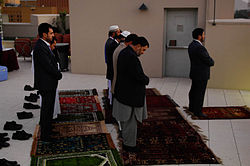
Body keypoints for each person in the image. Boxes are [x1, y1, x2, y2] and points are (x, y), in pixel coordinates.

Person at [113, 36, 150, 152]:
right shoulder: (131, 57)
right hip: (130, 96)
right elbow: (138, 76)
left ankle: (127, 140)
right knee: (130, 122)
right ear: (138, 46)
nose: (143, 53)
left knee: (126, 122)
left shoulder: (125, 52)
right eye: (143, 50)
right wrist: (146, 79)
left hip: (124, 93)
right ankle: (130, 146)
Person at [33, 23, 62, 142]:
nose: (53, 35)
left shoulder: (45, 45)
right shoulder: (40, 47)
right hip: (46, 83)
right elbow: (47, 66)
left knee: (49, 109)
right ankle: (45, 135)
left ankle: (49, 129)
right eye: (50, 33)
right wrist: (58, 74)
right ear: (44, 34)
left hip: (49, 82)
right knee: (46, 109)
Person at [188, 28, 214, 117]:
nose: (204, 36)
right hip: (201, 74)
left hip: (194, 72)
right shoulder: (200, 48)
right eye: (203, 34)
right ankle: (198, 112)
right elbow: (209, 61)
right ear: (199, 36)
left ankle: (191, 107)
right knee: (200, 93)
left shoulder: (191, 45)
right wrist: (211, 60)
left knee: (194, 91)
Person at [104, 25, 121, 105]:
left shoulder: (110, 41)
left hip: (111, 69)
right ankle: (111, 103)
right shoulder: (112, 43)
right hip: (112, 69)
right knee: (112, 88)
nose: (119, 33)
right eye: (118, 32)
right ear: (113, 34)